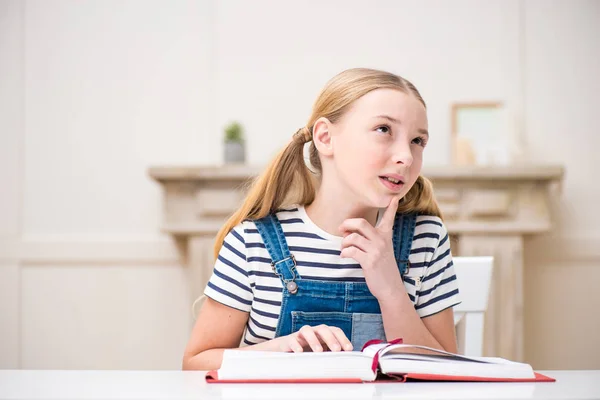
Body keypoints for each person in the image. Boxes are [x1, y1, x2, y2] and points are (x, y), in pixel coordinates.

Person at [182, 68, 461, 371]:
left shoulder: (425, 237)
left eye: (418, 140)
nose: (406, 156)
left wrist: (392, 289)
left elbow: (449, 369)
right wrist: (277, 350)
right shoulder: (252, 243)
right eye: (384, 130)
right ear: (326, 138)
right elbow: (195, 363)